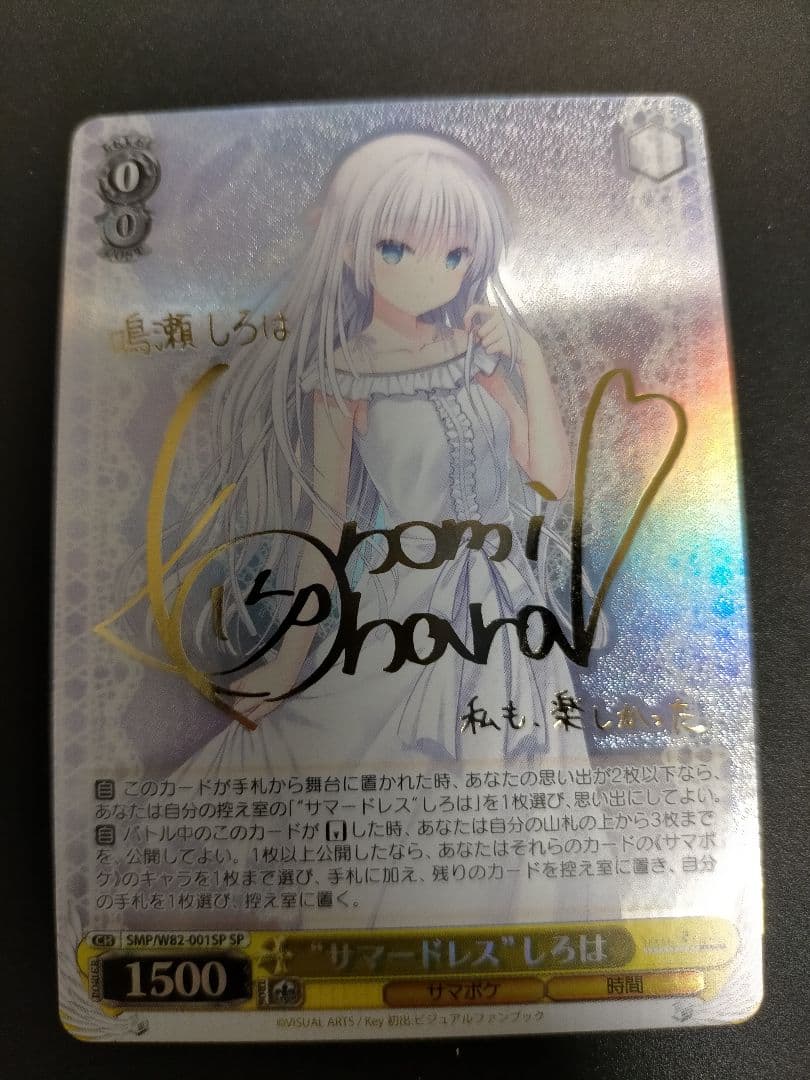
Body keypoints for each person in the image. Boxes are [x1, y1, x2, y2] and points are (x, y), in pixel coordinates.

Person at [174, 131, 586, 779]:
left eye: (455, 255)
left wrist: (527, 359)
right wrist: (287, 663)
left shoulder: (476, 353)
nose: (429, 274)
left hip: (508, 608)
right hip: (409, 615)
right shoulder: (344, 376)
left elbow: (552, 481)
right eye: (395, 249)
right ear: (347, 247)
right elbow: (325, 525)